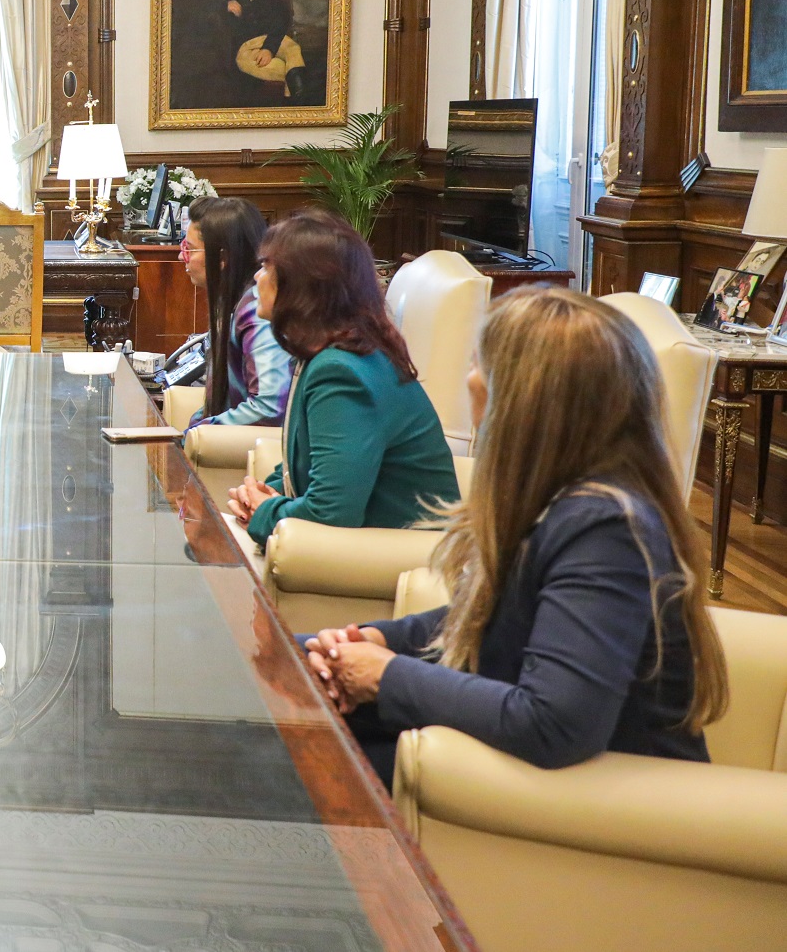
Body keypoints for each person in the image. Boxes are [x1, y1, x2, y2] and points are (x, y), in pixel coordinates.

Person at [303, 289, 730, 784]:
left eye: (480, 364)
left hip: (595, 824)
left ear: (523, 399)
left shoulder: (606, 530)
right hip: (508, 775)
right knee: (286, 671)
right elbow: (495, 621)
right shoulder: (565, 502)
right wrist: (374, 640)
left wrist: (384, 674)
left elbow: (554, 725)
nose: (470, 378)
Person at [226, 209, 458, 548]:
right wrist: (265, 493)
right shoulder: (336, 354)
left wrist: (265, 512)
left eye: (266, 267)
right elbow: (311, 467)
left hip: (401, 561)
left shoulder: (341, 370)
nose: (257, 278)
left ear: (301, 285)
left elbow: (331, 513)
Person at [180, 195, 293, 428]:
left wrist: (198, 433)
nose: (182, 256)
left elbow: (269, 407)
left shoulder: (256, 312)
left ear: (222, 257)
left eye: (189, 249)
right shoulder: (236, 300)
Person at [221, 0, 306, 99]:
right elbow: (200, 8)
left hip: (269, 38)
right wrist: (223, 5)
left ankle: (299, 101)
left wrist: (269, 48)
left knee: (293, 49)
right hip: (245, 46)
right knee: (283, 68)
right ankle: (298, 100)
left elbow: (283, 16)